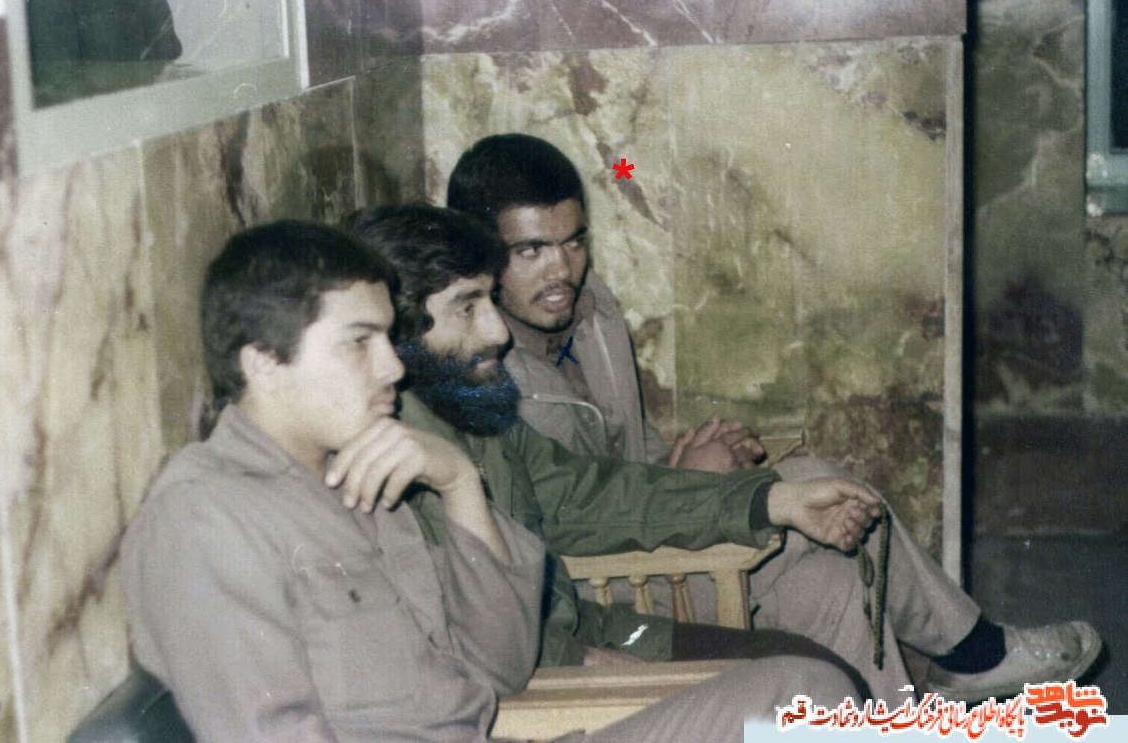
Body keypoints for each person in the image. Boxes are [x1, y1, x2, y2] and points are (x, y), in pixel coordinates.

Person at [120, 219, 858, 743]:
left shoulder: (363, 473)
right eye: (359, 343)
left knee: (807, 696)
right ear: (263, 364)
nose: (392, 366)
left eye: (387, 337)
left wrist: (458, 484)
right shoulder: (207, 519)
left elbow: (497, 667)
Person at [445, 132, 1103, 704]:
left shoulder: (590, 309)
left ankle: (892, 720)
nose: (561, 269)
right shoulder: (483, 377)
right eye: (530, 251)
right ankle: (974, 651)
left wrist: (684, 461)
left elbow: (621, 461)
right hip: (608, 585)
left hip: (652, 525)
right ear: (478, 254)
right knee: (817, 480)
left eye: (573, 242)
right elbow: (552, 526)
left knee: (831, 579)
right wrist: (690, 481)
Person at [349, 204, 878, 690]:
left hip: (594, 630)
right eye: (467, 308)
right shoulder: (386, 457)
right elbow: (447, 635)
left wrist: (770, 501)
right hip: (543, 677)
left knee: (814, 667)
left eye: (489, 299)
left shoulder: (470, 410)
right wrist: (575, 660)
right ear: (396, 326)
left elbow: (597, 494)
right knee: (807, 688)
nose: (497, 331)